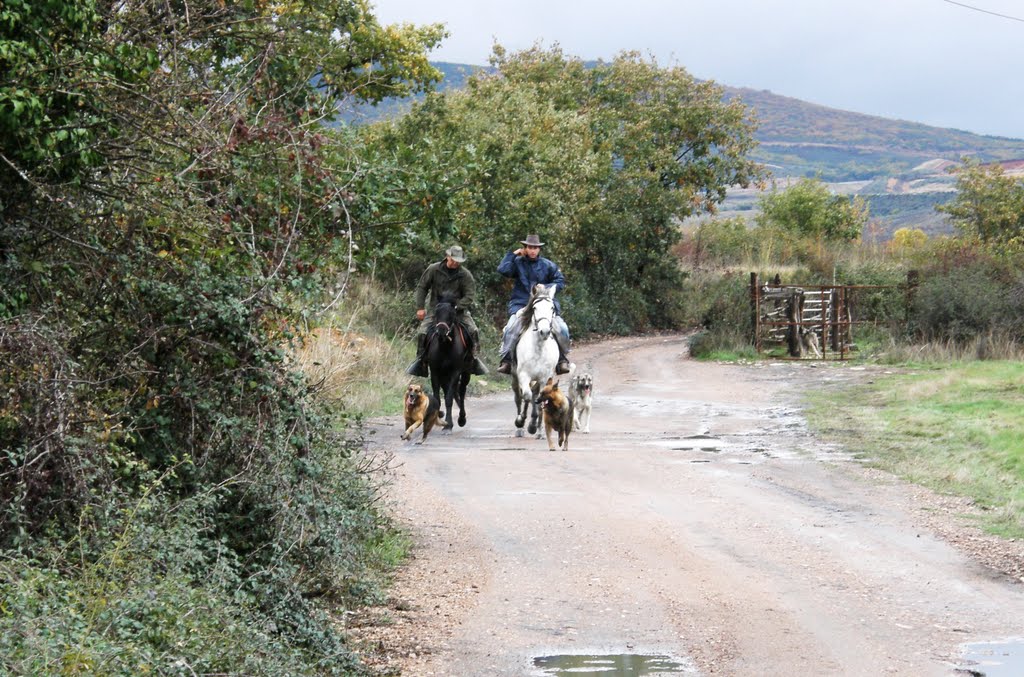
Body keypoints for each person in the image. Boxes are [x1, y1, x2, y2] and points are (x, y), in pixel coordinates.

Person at [406, 245, 489, 378]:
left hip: (458, 311)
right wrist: (420, 307)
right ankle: (421, 361)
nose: (455, 263)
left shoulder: (465, 275)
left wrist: (457, 307)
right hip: (436, 310)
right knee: (422, 332)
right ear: (447, 256)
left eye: (458, 261)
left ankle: (473, 359)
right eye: (453, 259)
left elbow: (469, 296)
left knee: (474, 330)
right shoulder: (434, 269)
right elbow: (422, 287)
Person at [495, 234, 571, 375]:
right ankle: (506, 360)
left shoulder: (548, 265)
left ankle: (562, 359)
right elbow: (503, 270)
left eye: (535, 248)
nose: (532, 250)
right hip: (521, 303)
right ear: (525, 248)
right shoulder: (517, 263)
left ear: (539, 249)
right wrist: (513, 254)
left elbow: (560, 282)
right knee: (511, 328)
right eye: (530, 247)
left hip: (544, 305)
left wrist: (546, 287)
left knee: (562, 329)